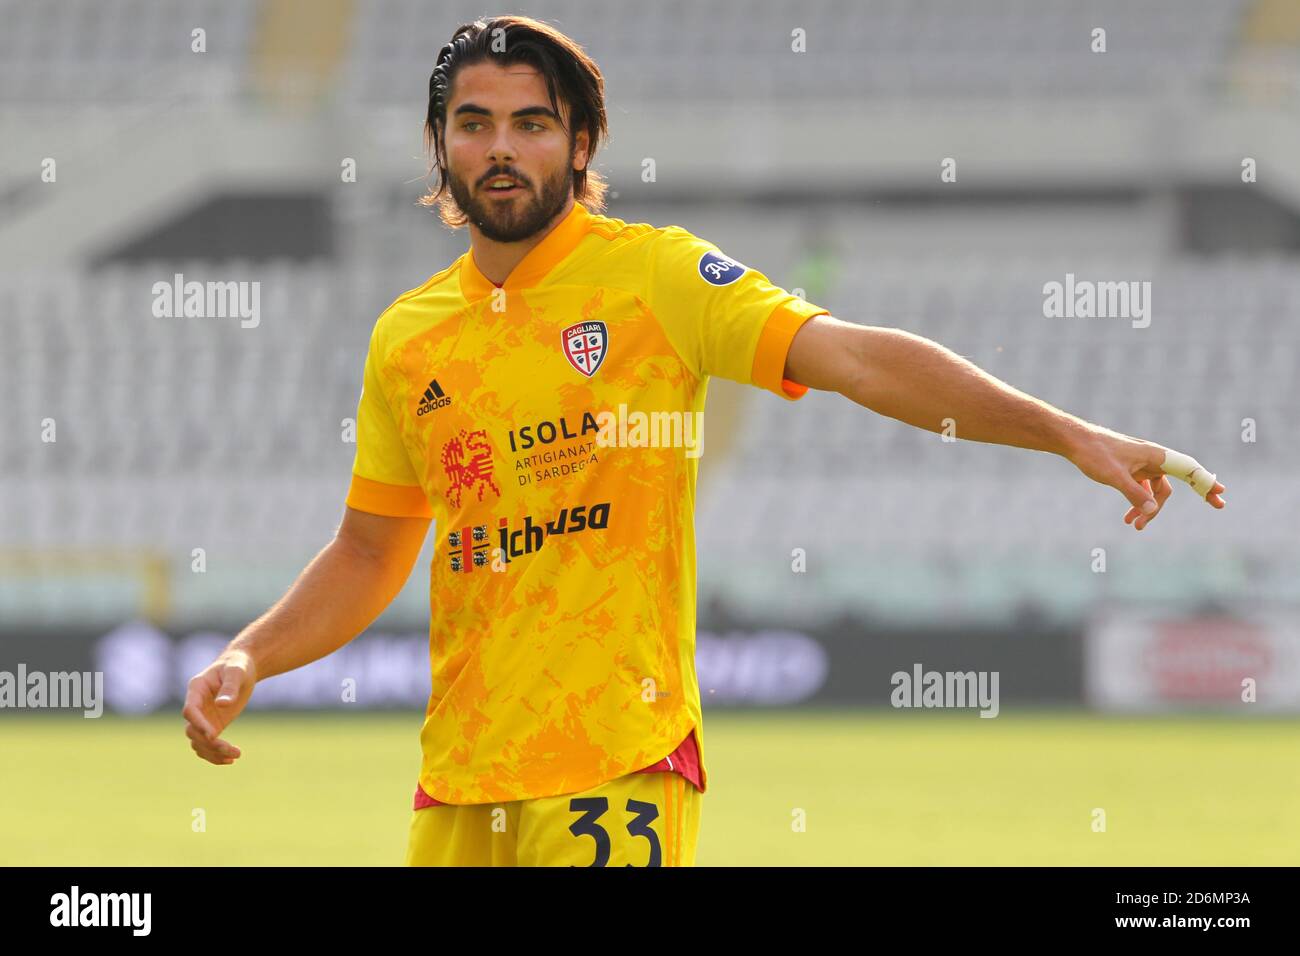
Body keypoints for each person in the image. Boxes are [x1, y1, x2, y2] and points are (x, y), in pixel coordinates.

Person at [182, 15, 1226, 867]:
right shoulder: (408, 336)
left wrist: (1062, 430)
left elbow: (856, 357)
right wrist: (251, 652)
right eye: (473, 122)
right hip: (458, 774)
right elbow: (371, 550)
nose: (501, 148)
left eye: (532, 124)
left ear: (580, 143)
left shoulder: (658, 277)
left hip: (615, 756)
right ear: (441, 143)